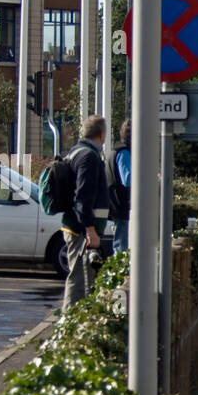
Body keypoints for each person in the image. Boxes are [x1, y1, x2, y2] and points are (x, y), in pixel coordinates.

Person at [60, 114, 110, 313]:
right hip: (81, 230)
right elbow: (83, 196)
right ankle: (70, 324)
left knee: (83, 277)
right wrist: (90, 229)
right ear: (102, 134)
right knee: (79, 279)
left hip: (76, 226)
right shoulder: (88, 157)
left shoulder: (76, 152)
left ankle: (77, 321)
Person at [109, 119, 131, 252]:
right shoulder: (124, 153)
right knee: (121, 248)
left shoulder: (117, 150)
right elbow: (127, 179)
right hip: (121, 206)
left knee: (120, 244)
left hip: (118, 205)